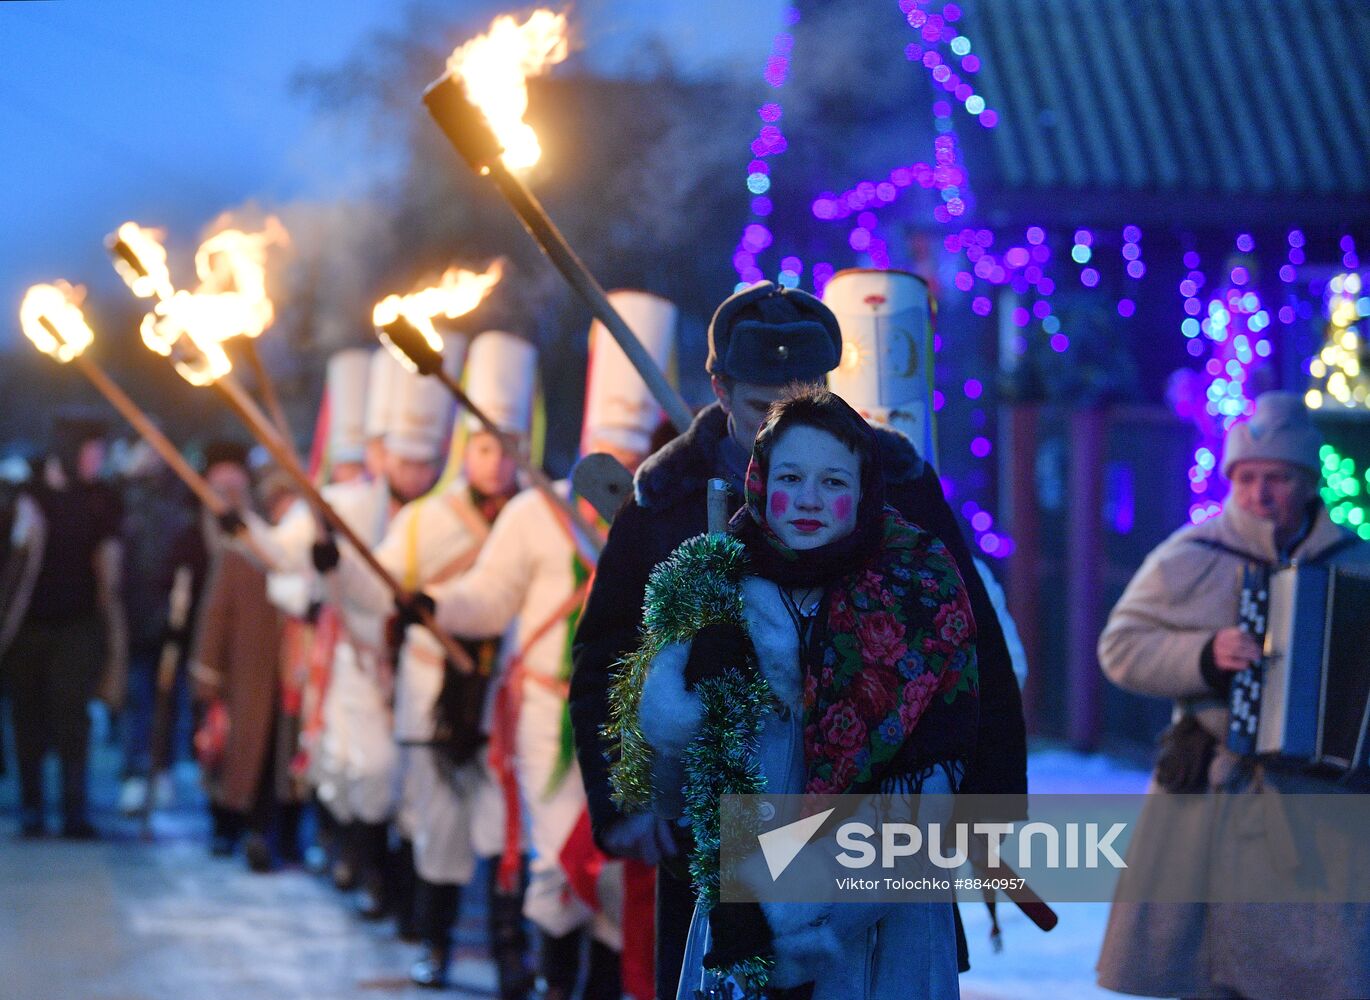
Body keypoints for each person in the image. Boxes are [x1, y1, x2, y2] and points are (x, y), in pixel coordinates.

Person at [570, 281, 1027, 996]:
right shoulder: (665, 505)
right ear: (720, 388)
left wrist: (990, 808)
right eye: (760, 407)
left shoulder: (897, 489)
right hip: (719, 847)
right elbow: (606, 659)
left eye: (804, 394)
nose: (783, 421)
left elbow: (974, 655)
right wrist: (625, 799)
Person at [630, 386, 977, 999]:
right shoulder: (717, 587)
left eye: (835, 482)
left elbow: (925, 807)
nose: (810, 500)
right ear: (761, 481)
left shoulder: (917, 592)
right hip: (738, 912)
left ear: (865, 491)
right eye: (792, 476)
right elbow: (672, 792)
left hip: (872, 926)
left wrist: (789, 923)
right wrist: (689, 694)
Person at [1095, 391, 1370, 999]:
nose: (1259, 494)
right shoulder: (1192, 555)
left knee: (1320, 975)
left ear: (1305, 481)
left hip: (1323, 810)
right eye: (1246, 478)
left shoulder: (1356, 564)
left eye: (1276, 478)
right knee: (1205, 972)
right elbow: (1120, 646)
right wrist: (1201, 655)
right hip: (1213, 793)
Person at [334, 330, 535, 991]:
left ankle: (513, 958)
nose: (496, 464)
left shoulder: (542, 517)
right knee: (440, 834)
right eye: (482, 448)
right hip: (433, 700)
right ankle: (436, 946)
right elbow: (376, 586)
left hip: (507, 701)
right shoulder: (424, 519)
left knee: (510, 832)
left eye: (507, 449)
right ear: (463, 450)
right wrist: (336, 565)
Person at [3, 414, 125, 839]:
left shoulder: (102, 499)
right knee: (28, 719)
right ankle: (33, 808)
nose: (98, 460)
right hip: (28, 629)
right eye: (92, 451)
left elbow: (110, 566)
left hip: (78, 626)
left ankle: (75, 810)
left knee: (74, 719)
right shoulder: (26, 497)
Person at [190, 454, 300, 871]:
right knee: (236, 752)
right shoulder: (240, 552)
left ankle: (275, 835)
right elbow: (215, 617)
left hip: (288, 676)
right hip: (245, 676)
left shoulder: (294, 554)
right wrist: (207, 677)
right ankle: (229, 826)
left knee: (281, 759)